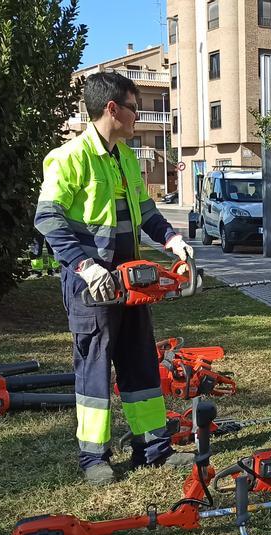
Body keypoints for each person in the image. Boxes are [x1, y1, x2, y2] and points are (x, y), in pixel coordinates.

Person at [34, 72, 194, 485]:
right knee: (94, 369)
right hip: (92, 284)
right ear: (111, 108)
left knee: (140, 361)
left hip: (131, 281)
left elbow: (148, 212)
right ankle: (94, 458)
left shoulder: (125, 156)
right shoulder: (67, 158)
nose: (137, 116)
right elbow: (48, 220)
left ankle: (154, 448)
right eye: (133, 108)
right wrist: (86, 268)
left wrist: (173, 240)